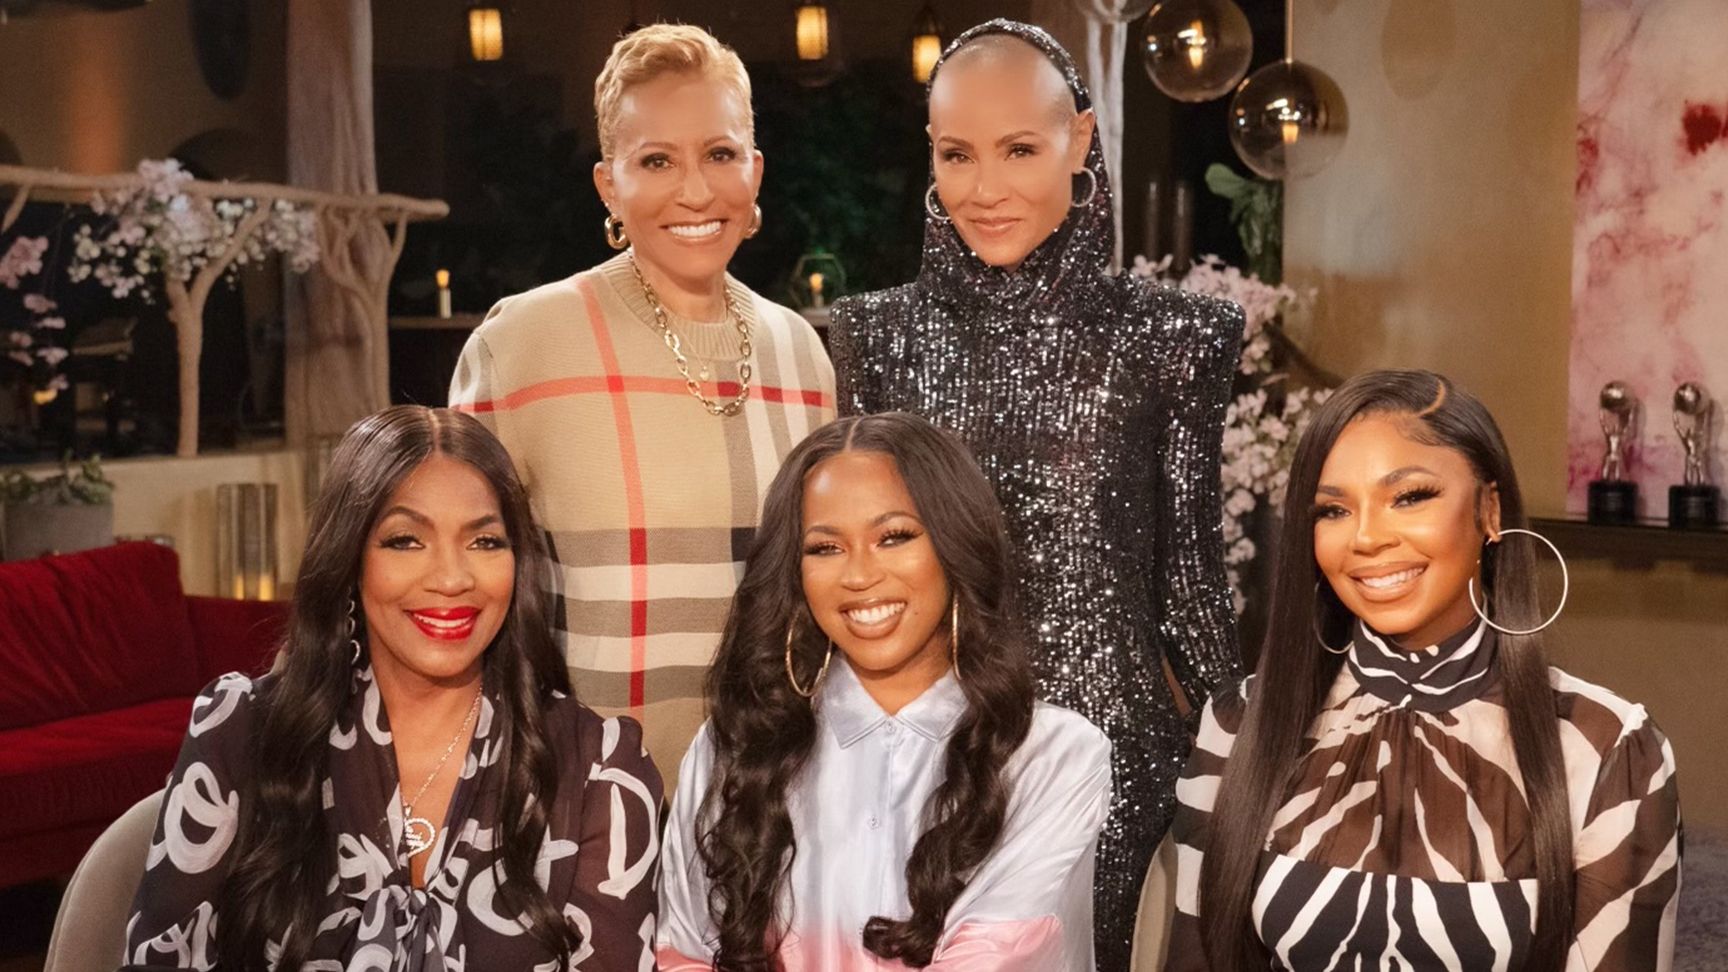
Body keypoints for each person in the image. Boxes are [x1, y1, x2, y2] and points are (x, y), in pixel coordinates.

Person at [827, 20, 1241, 964]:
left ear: (1080, 139)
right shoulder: (871, 338)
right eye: (957, 155)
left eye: (1019, 149)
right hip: (924, 754)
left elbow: (1189, 585)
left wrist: (1254, 752)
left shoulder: (1175, 340)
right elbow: (857, 564)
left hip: (1116, 758)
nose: (985, 188)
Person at [1168, 370, 1682, 971]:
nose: (1366, 538)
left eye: (1409, 497)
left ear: (1490, 509)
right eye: (1333, 510)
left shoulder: (1610, 750)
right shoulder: (1239, 726)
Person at [124, 406, 662, 970]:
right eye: (405, 541)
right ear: (350, 559)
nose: (451, 578)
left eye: (484, 542)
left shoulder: (600, 770)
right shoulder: (240, 733)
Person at [449, 24, 836, 785]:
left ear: (755, 171)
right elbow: (451, 582)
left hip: (777, 795)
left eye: (720, 154)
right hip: (582, 804)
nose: (695, 191)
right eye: (657, 161)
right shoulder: (523, 344)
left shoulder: (802, 354)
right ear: (608, 186)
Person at [658, 412, 1112, 970]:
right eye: (825, 548)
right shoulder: (736, 745)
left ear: (955, 544)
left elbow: (991, 960)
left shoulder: (1051, 754)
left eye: (894, 537)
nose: (858, 575)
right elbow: (685, 952)